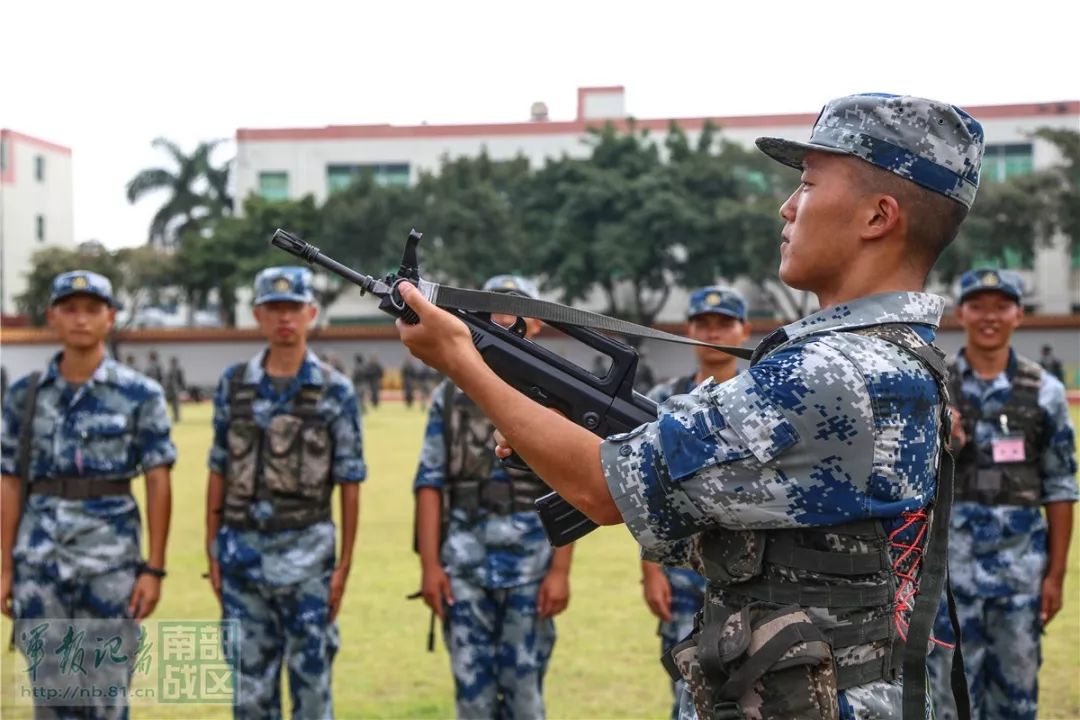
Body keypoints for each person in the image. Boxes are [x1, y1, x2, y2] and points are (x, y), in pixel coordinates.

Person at [393, 93, 986, 719]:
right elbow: (733, 521)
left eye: (808, 185)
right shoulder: (893, 357)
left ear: (878, 217)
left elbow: (602, 488)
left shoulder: (829, 371)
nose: (786, 207)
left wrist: (461, 358)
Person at [1, 270, 175, 718]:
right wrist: (5, 569)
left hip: (111, 565)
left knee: (106, 693)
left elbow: (158, 479)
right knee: (50, 695)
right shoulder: (25, 395)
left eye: (92, 309)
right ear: (52, 318)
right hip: (40, 566)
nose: (81, 320)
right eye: (70, 309)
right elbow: (9, 481)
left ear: (110, 318)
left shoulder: (141, 394)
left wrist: (153, 568)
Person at [204, 266, 365, 719]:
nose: (285, 318)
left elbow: (350, 482)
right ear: (257, 315)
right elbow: (218, 469)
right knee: (249, 696)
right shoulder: (233, 385)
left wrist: (343, 566)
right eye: (274, 309)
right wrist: (211, 547)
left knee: (313, 693)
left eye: (294, 307)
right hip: (241, 559)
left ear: (311, 312)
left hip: (309, 561)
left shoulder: (336, 391)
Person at [414, 274, 574, 720]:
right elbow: (429, 482)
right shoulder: (450, 394)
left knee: (526, 696)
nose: (505, 318)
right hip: (463, 565)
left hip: (531, 565)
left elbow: (570, 485)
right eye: (493, 308)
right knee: (473, 698)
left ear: (538, 323)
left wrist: (559, 571)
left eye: (517, 309)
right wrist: (430, 567)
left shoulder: (554, 394)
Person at [927, 269, 1077, 720]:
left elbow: (1061, 486)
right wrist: (940, 441)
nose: (989, 317)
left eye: (1000, 306)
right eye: (978, 306)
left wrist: (1055, 576)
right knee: (951, 700)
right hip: (949, 581)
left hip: (1020, 578)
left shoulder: (1045, 393)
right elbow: (906, 483)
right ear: (961, 314)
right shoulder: (934, 387)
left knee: (1016, 699)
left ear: (1018, 314)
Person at [641, 286, 751, 720]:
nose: (714, 332)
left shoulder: (760, 396)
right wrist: (651, 574)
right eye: (704, 324)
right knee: (685, 690)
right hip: (683, 572)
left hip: (750, 570)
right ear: (688, 330)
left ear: (743, 329)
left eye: (724, 323)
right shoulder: (663, 399)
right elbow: (645, 491)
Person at [164, 355, 186, 423]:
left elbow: (181, 380)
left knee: (176, 404)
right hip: (170, 389)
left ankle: (177, 417)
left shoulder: (179, 370)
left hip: (176, 389)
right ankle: (173, 416)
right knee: (171, 404)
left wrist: (182, 388)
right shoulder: (170, 370)